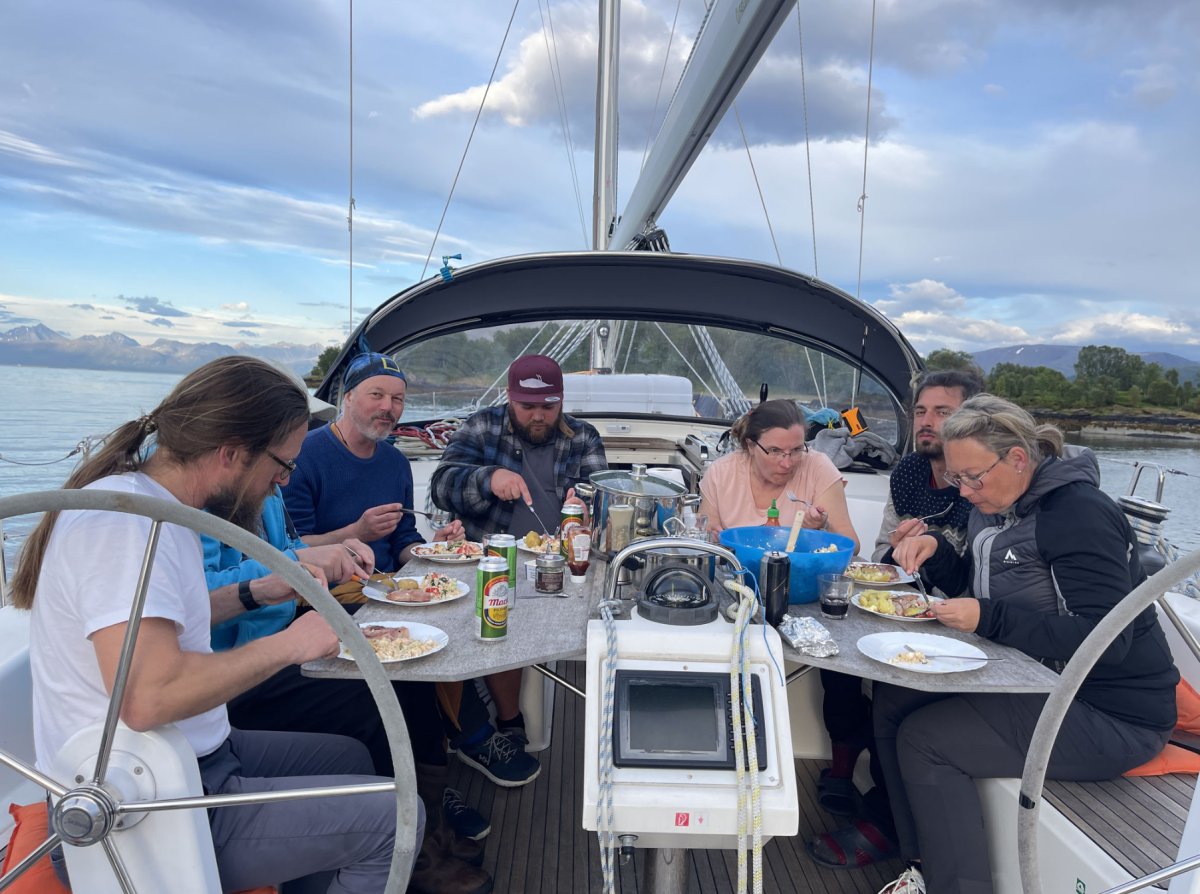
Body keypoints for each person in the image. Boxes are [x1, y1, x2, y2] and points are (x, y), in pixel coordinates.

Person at [12, 356, 410, 894]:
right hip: (146, 806)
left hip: (191, 754)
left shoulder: (158, 508)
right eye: (282, 466)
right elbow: (146, 699)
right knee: (395, 817)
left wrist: (256, 590)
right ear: (231, 453)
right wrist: (290, 645)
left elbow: (168, 615)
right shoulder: (125, 529)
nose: (281, 485)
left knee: (350, 755)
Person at [876, 395, 1178, 894]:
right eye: (958, 479)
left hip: (1112, 713)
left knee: (926, 740)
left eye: (973, 477)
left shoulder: (1079, 514)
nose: (966, 492)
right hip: (1037, 680)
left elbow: (1107, 640)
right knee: (892, 698)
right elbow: (979, 590)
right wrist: (936, 554)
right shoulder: (997, 504)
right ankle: (919, 863)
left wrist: (988, 618)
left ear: (1018, 459)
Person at [203, 488, 492, 894]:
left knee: (413, 664)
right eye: (282, 464)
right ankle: (415, 851)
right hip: (240, 667)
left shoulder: (262, 486)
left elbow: (288, 546)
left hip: (285, 629)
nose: (283, 478)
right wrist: (296, 561)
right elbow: (199, 591)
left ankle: (429, 819)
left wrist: (332, 550)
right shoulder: (194, 496)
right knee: (370, 693)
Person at [279, 352, 498, 851]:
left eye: (397, 399)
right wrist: (354, 531)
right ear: (347, 397)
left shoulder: (396, 461)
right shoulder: (308, 455)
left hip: (385, 586)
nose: (389, 407)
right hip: (321, 594)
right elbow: (289, 544)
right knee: (411, 668)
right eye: (377, 395)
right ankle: (432, 795)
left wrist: (431, 547)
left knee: (455, 623)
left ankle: (447, 769)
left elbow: (402, 537)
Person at [809, 369, 983, 870]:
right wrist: (897, 545)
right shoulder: (908, 471)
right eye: (922, 412)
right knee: (834, 643)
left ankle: (883, 822)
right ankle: (843, 767)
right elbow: (886, 552)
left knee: (895, 688)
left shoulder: (979, 483)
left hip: (960, 612)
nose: (927, 423)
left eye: (943, 413)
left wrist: (932, 549)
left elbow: (975, 568)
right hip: (908, 598)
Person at [429, 354, 607, 785]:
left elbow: (602, 494)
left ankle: (603, 731)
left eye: (548, 406)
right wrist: (488, 478)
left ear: (561, 400)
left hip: (565, 559)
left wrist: (589, 507)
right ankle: (509, 721)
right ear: (511, 398)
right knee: (499, 623)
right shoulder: (481, 427)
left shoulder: (584, 437)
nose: (539, 415)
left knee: (597, 630)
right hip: (493, 556)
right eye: (528, 406)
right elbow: (441, 485)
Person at [699, 398, 859, 552]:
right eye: (775, 451)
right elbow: (704, 538)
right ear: (751, 446)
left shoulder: (818, 468)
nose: (787, 463)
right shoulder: (721, 473)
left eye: (796, 450)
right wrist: (711, 537)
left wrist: (821, 530)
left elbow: (852, 547)